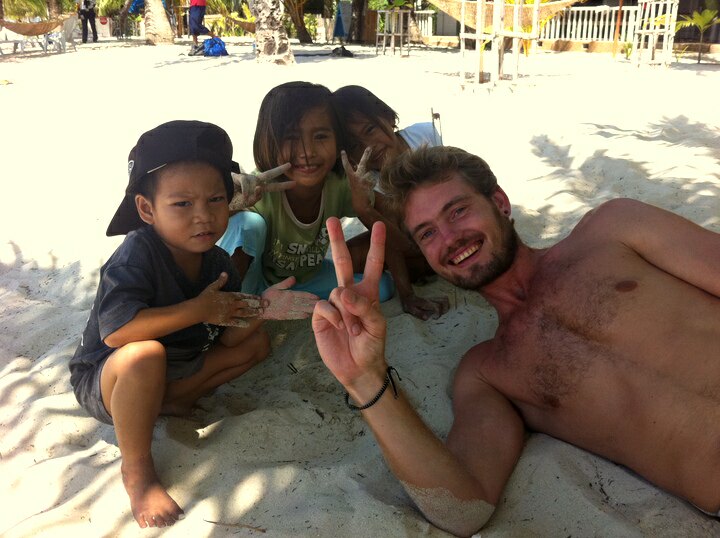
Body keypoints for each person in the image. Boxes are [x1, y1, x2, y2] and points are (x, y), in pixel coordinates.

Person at [312, 145, 720, 537]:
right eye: (427, 234)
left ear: (501, 203)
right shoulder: (488, 373)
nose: (450, 238)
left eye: (457, 211)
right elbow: (463, 510)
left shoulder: (614, 229)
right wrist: (364, 378)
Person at [69, 120, 317, 529]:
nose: (203, 216)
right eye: (182, 204)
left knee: (256, 347)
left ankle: (166, 402)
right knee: (143, 354)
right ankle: (137, 470)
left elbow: (230, 333)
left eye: (216, 199)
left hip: (175, 369)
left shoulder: (218, 262)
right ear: (147, 209)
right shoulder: (137, 254)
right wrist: (200, 310)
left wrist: (259, 310)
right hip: (109, 380)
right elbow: (117, 333)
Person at [218, 81, 396, 302]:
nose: (307, 152)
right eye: (291, 138)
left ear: (338, 140)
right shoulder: (259, 187)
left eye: (320, 136)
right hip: (254, 281)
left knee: (384, 287)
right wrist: (227, 204)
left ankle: (275, 300)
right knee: (246, 224)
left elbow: (389, 224)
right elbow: (207, 231)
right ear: (268, 142)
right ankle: (237, 302)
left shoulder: (341, 185)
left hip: (305, 279)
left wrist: (365, 209)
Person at [331, 85, 448, 320]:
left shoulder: (426, 135)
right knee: (348, 256)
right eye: (355, 146)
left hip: (444, 230)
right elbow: (395, 244)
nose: (369, 147)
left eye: (370, 129)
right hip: (410, 244)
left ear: (388, 117)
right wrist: (407, 296)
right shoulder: (369, 180)